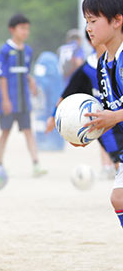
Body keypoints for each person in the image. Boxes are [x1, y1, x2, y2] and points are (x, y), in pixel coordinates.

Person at [79, 0, 123, 271]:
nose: (88, 27)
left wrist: (114, 117)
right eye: (86, 20)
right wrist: (86, 131)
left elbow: (116, 113)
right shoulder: (102, 64)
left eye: (94, 20)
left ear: (117, 20)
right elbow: (109, 112)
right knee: (118, 197)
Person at [45, 30, 122, 178]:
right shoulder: (87, 69)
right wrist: (53, 116)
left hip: (115, 116)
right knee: (113, 150)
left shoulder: (117, 63)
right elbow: (66, 94)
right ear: (90, 42)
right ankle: (108, 167)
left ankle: (110, 168)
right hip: (103, 122)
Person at [0, 13, 47, 177]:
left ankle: (36, 164)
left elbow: (25, 73)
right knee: (5, 132)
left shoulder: (28, 51)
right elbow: (2, 77)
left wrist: (31, 82)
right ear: (12, 29)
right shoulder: (5, 50)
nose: (25, 32)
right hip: (9, 101)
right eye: (22, 28)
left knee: (28, 131)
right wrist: (6, 100)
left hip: (24, 101)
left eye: (27, 29)